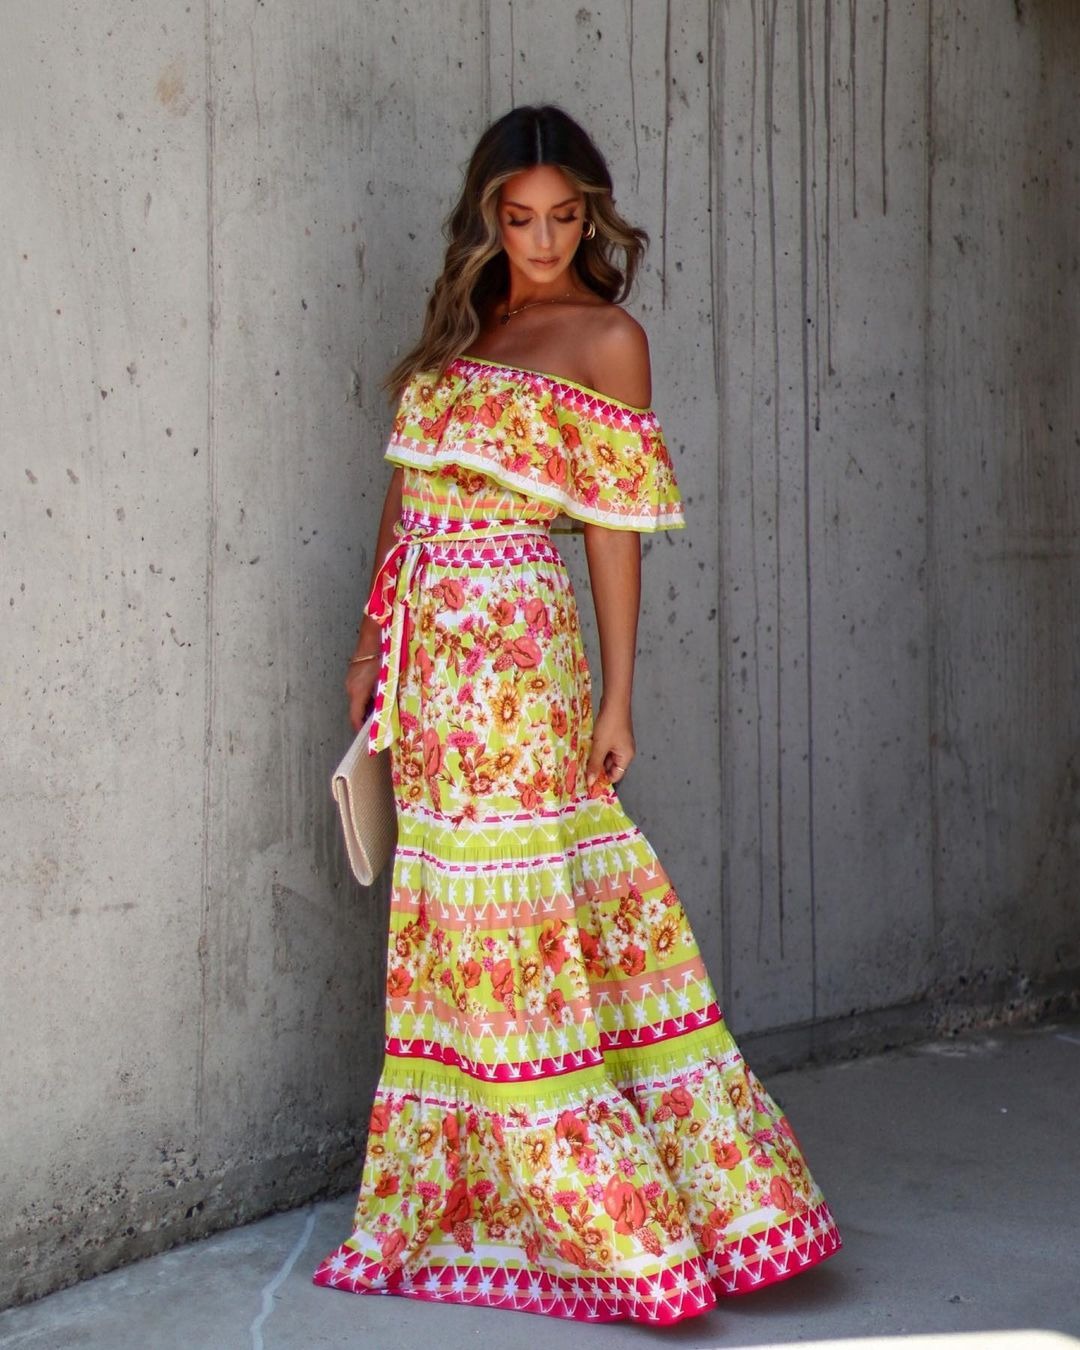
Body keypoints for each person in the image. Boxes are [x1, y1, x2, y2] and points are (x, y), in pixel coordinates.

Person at [314, 104, 841, 1325]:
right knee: (454, 920)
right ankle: (477, 1201)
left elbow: (612, 531)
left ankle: (620, 1229)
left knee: (520, 917)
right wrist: (368, 642)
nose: (543, 240)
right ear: (487, 220)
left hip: (517, 659)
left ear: (590, 219)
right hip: (425, 665)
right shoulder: (461, 330)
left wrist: (618, 693)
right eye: (520, 218)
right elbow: (405, 495)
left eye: (563, 218)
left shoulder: (609, 337)